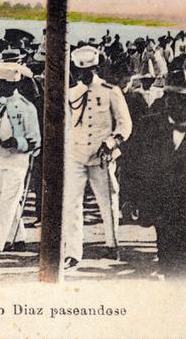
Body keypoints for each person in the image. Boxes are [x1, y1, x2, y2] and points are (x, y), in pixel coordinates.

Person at [63, 45, 132, 269]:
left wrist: (111, 143)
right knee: (71, 202)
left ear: (97, 68)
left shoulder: (110, 91)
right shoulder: (72, 93)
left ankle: (112, 245)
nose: (85, 75)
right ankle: (73, 251)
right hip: (76, 154)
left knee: (108, 200)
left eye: (89, 71)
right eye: (81, 71)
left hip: (101, 156)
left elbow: (125, 124)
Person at [123, 69, 186, 278]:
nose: (183, 105)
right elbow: (131, 164)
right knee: (169, 260)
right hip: (163, 208)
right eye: (177, 98)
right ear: (167, 99)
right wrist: (130, 199)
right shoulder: (148, 126)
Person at [0, 62, 41, 261]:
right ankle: (19, 236)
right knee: (2, 197)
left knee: (8, 200)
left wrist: (18, 142)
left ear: (11, 85)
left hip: (16, 160)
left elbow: (34, 140)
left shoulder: (26, 107)